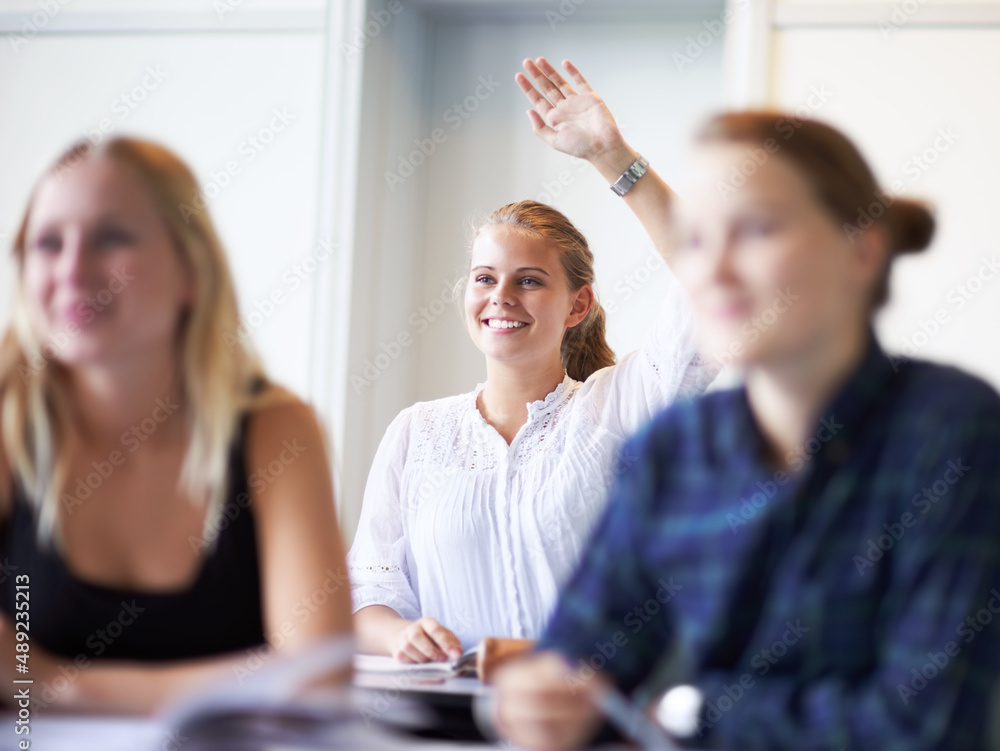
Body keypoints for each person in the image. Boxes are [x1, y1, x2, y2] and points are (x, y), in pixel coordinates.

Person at [492, 60, 1000, 751]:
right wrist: (541, 698)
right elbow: (580, 664)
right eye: (695, 240)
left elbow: (930, 726)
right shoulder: (672, 451)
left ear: (861, 250)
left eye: (756, 230)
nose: (714, 269)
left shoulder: (953, 430)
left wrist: (688, 709)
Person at [348, 60, 715, 663]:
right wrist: (400, 636)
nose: (501, 297)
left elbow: (709, 279)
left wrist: (610, 155)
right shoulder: (415, 433)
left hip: (590, 733)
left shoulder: (620, 407)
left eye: (529, 280)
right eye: (485, 278)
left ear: (578, 305)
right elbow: (370, 588)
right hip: (446, 728)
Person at [0, 137, 352, 713]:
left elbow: (319, 677)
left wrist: (47, 681)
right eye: (47, 243)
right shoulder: (7, 420)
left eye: (112, 237)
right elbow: (291, 676)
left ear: (190, 271)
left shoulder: (277, 430)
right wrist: (243, 681)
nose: (71, 269)